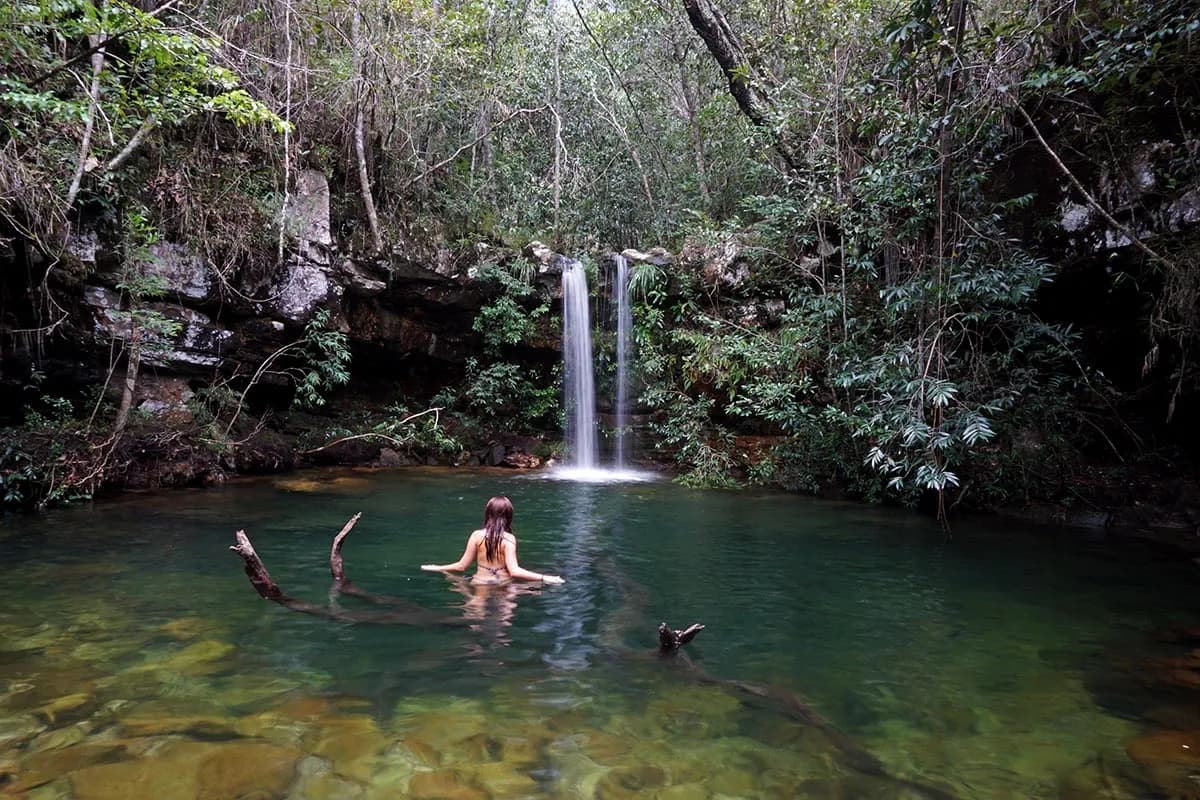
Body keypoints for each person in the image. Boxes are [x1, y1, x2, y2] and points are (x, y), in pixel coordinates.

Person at [420, 496, 565, 585]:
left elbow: (461, 566)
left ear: (488, 514)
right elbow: (514, 571)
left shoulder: (476, 535)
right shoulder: (509, 539)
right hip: (503, 583)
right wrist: (544, 578)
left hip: (480, 582)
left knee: (475, 616)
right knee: (504, 621)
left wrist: (437, 568)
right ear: (509, 516)